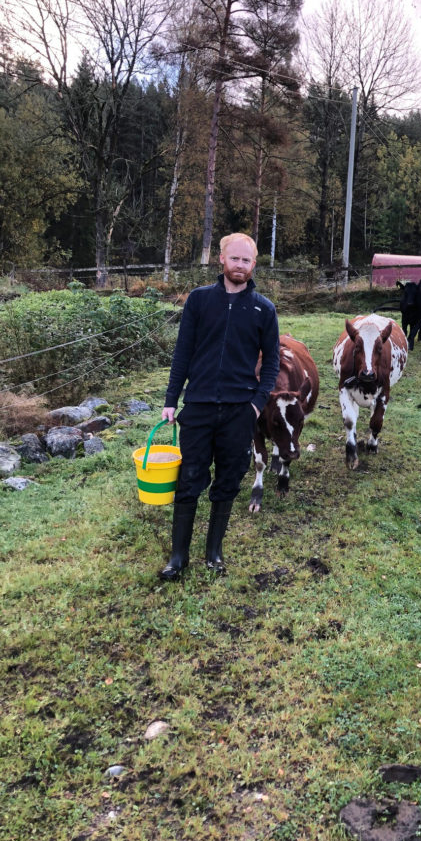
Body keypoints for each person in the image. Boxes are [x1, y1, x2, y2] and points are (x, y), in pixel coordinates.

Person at [159, 232, 280, 580]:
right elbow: (182, 352)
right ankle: (178, 557)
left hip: (239, 410)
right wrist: (171, 399)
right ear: (222, 260)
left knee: (228, 480)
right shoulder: (199, 301)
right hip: (197, 406)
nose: (240, 265)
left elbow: (271, 362)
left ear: (253, 265)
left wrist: (256, 405)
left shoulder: (263, 310)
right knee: (190, 479)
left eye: (247, 260)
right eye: (234, 258)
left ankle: (214, 553)